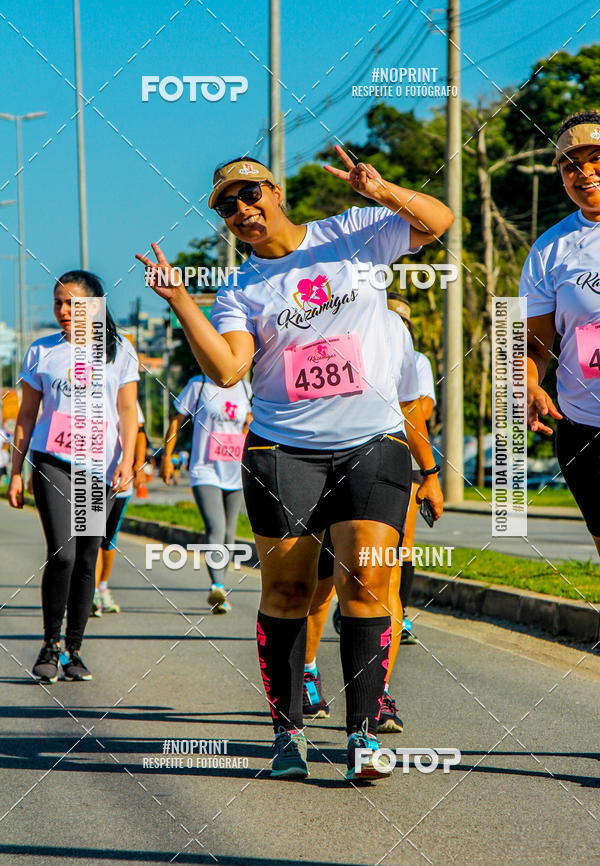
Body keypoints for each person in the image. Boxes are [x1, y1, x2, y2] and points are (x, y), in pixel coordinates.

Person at [137, 148, 451, 781]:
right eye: (227, 206)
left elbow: (437, 221)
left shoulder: (352, 234)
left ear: (275, 193)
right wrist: (178, 299)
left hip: (374, 441)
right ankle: (288, 734)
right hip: (283, 449)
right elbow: (226, 369)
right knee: (288, 590)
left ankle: (363, 735)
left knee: (367, 582)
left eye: (250, 195)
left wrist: (383, 188)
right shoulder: (239, 289)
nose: (243, 211)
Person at [304, 296, 440, 734]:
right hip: (315, 464)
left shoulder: (408, 353)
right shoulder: (316, 330)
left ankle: (375, 694)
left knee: (386, 586)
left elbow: (414, 412)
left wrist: (431, 473)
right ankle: (306, 673)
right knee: (319, 587)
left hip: (387, 463)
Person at [7, 271, 139, 682]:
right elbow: (26, 416)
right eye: (58, 304)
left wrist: (128, 462)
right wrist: (15, 471)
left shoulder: (119, 351)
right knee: (62, 554)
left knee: (86, 558)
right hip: (54, 462)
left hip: (99, 467)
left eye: (72, 304)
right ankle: (50, 644)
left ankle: (74, 650)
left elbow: (128, 413)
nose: (63, 311)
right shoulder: (42, 352)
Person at [520, 111, 600, 555]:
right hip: (584, 425)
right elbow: (534, 343)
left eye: (595, 159)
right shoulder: (550, 249)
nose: (584, 173)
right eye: (571, 166)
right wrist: (530, 384)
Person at [162, 373, 252, 613]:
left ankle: (220, 590)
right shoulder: (198, 384)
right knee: (216, 527)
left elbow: (250, 424)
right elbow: (176, 420)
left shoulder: (245, 388)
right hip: (205, 469)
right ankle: (217, 585)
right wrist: (166, 458)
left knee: (230, 533)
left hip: (235, 471)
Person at [387, 293, 437, 644]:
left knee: (401, 542)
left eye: (404, 320)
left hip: (404, 459)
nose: (398, 324)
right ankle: (350, 607)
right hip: (357, 453)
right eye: (391, 316)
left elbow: (424, 407)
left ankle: (400, 615)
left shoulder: (416, 360)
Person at [91, 402, 147, 616]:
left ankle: (102, 587)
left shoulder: (127, 396)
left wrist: (138, 464)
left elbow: (140, 432)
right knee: (92, 536)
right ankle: (91, 592)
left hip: (119, 481)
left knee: (108, 541)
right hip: (90, 476)